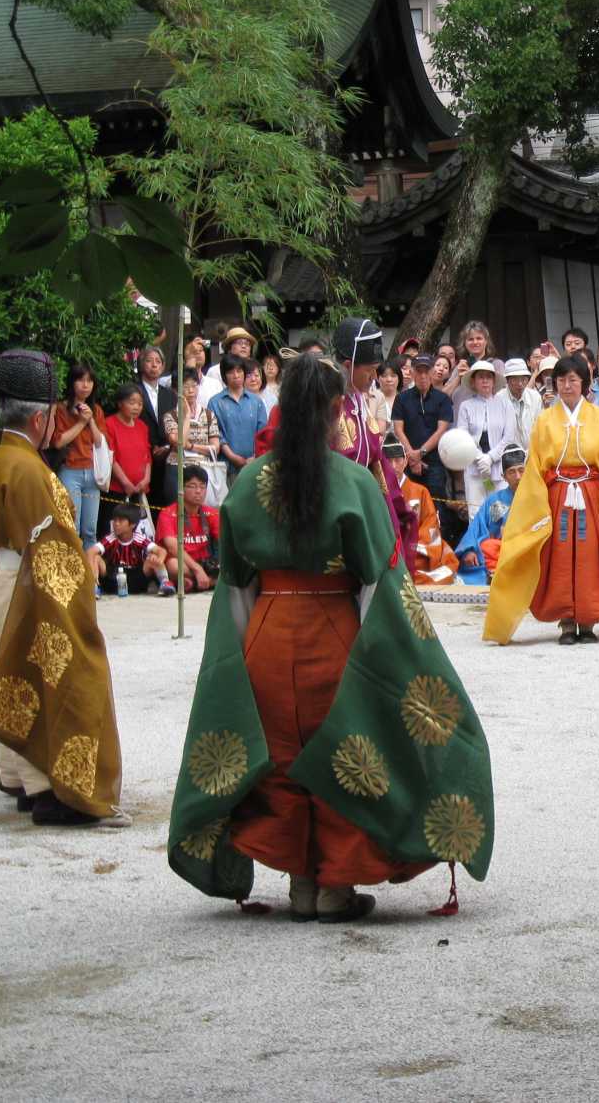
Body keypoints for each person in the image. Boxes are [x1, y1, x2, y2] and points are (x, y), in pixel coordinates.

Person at [166, 354, 495, 920]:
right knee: (343, 748)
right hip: (335, 634)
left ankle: (300, 886)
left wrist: (235, 660)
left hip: (268, 634)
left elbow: (235, 585)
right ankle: (334, 889)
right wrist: (401, 660)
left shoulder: (248, 484)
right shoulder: (354, 482)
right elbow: (379, 582)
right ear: (336, 411)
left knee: (283, 756)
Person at [0, 348, 126, 826]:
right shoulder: (29, 470)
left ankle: (20, 778)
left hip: (5, 577)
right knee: (55, 676)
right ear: (41, 418)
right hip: (34, 582)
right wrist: (80, 598)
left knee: (11, 674)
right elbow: (53, 548)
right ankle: (53, 791)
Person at [483, 355, 599, 645]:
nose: (567, 386)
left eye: (573, 380)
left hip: (591, 496)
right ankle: (567, 622)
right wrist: (535, 507)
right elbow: (535, 467)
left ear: (584, 383)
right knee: (558, 556)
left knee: (590, 555)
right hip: (557, 496)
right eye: (561, 380)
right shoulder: (545, 420)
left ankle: (587, 620)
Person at [256, 320, 420, 567]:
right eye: (369, 370)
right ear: (348, 366)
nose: (374, 377)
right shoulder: (315, 403)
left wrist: (396, 506)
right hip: (322, 505)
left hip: (359, 505)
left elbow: (377, 463)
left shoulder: (360, 403)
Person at [394, 352, 459, 547]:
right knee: (408, 504)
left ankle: (437, 548)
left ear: (432, 372)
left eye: (426, 371)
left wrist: (420, 452)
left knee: (436, 505)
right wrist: (412, 457)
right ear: (412, 372)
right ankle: (409, 545)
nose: (423, 375)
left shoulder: (442, 399)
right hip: (407, 461)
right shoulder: (402, 398)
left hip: (434, 462)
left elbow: (441, 429)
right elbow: (398, 429)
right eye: (419, 371)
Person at [46, 362, 107, 550]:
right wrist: (81, 422)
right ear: (72, 382)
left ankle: (89, 568)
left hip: (92, 471)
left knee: (90, 530)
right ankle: (72, 565)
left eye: (89, 381)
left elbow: (100, 442)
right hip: (70, 470)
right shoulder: (60, 409)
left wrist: (90, 421)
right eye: (80, 380)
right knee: (72, 526)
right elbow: (58, 442)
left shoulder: (96, 410)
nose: (85, 385)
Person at [384, 434, 459, 585]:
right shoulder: (377, 490)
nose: (393, 466)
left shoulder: (420, 491)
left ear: (405, 461)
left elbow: (431, 523)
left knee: (444, 561)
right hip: (387, 547)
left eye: (397, 460)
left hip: (415, 548)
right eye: (388, 461)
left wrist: (411, 545)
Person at [455, 360, 517, 521]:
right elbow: (462, 435)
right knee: (476, 513)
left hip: (498, 468)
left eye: (488, 377)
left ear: (494, 381)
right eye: (480, 377)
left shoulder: (505, 404)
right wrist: (479, 457)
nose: (485, 381)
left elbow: (509, 436)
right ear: (473, 382)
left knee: (498, 513)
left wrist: (490, 457)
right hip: (474, 467)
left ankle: (495, 538)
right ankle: (477, 538)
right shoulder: (466, 406)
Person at [456, 447, 525, 585]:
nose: (518, 476)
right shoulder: (497, 501)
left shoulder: (537, 497)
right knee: (487, 546)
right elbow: (479, 527)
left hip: (527, 550)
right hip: (501, 552)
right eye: (512, 472)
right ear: (504, 476)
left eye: (521, 470)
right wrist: (469, 550)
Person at [101, 382, 153, 540]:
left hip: (139, 489)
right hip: (117, 489)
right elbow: (110, 457)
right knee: (114, 531)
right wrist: (125, 482)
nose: (136, 407)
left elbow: (147, 455)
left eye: (140, 403)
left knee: (137, 532)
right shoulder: (109, 424)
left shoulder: (142, 426)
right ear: (120, 403)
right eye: (132, 402)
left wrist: (146, 478)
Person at [157, 465, 220, 592]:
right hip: (184, 563)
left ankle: (193, 583)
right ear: (181, 489)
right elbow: (172, 547)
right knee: (173, 566)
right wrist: (197, 569)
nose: (198, 491)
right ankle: (209, 582)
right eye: (192, 486)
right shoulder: (168, 513)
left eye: (202, 487)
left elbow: (225, 539)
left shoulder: (211, 513)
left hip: (206, 563)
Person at [88, 503, 172, 597]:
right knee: (96, 557)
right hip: (113, 579)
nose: (116, 524)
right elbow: (91, 551)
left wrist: (158, 561)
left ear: (132, 524)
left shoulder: (139, 538)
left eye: (120, 521)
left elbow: (162, 551)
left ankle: (165, 583)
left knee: (153, 557)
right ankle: (94, 586)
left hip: (136, 579)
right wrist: (93, 573)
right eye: (115, 520)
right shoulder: (110, 538)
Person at [208, 354, 268, 481]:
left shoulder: (256, 402)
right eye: (231, 372)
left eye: (239, 371)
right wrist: (232, 456)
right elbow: (217, 433)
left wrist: (255, 457)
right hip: (226, 467)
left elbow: (263, 432)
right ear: (224, 375)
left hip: (254, 465)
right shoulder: (215, 402)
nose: (236, 375)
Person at [135, 346, 178, 505]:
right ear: (141, 364)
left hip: (166, 455)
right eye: (149, 361)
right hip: (141, 454)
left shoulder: (170, 395)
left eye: (158, 362)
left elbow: (174, 423)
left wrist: (166, 447)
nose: (154, 365)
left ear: (163, 366)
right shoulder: (134, 391)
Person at [497, 357, 541, 450]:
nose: (520, 384)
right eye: (515, 380)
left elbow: (539, 426)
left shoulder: (535, 397)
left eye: (523, 379)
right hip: (507, 452)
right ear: (507, 381)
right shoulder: (498, 399)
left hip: (533, 451)